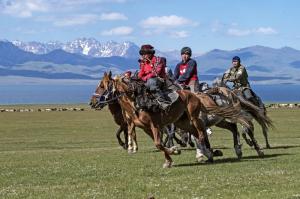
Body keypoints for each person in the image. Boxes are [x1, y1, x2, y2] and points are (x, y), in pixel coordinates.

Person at [137, 44, 169, 110]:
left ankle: (163, 102)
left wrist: (144, 78)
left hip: (159, 80)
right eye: (142, 54)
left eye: (144, 54)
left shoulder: (158, 60)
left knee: (151, 82)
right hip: (146, 80)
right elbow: (140, 75)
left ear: (150, 53)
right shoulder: (144, 62)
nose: (143, 56)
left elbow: (155, 73)